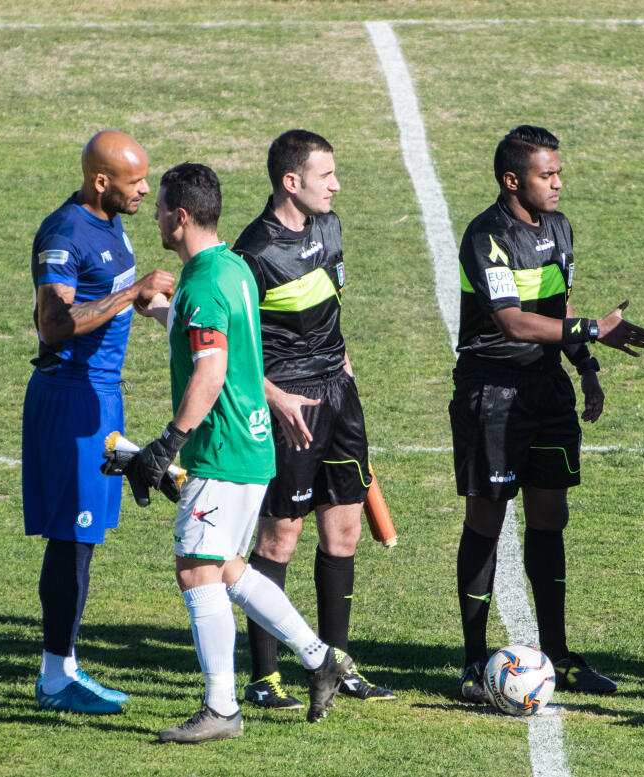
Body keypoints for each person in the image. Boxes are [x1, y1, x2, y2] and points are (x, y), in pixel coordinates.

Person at [115, 162, 352, 744]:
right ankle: (320, 657)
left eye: (160, 206)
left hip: (220, 451)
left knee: (196, 571)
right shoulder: (233, 268)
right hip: (252, 445)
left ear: (180, 216)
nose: (154, 214)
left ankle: (221, 708)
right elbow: (227, 342)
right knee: (226, 567)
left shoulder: (202, 283)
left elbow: (212, 370)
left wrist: (168, 442)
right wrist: (165, 314)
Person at [450, 125, 644, 703]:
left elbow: (557, 307)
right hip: (492, 392)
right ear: (513, 180)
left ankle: (559, 656)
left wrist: (586, 365)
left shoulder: (560, 227)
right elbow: (513, 321)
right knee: (486, 520)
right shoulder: (487, 237)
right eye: (547, 175)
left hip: (547, 391)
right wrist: (592, 328)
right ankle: (472, 662)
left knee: (550, 516)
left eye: (559, 172)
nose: (558, 183)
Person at [230, 129, 392, 709]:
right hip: (288, 405)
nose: (336, 185)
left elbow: (330, 310)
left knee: (343, 531)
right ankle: (264, 677)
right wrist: (276, 398)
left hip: (339, 396)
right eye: (327, 176)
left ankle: (336, 664)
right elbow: (234, 351)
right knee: (281, 536)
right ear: (291, 181)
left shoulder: (330, 226)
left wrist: (344, 369)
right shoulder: (251, 253)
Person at [22, 130, 175, 714]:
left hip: (101, 396)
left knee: (85, 538)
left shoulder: (111, 224)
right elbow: (54, 325)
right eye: (135, 182)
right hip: (69, 399)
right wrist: (132, 291)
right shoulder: (64, 233)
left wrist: (172, 318)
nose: (145, 190)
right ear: (101, 181)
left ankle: (63, 667)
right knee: (72, 538)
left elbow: (121, 300)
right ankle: (56, 677)